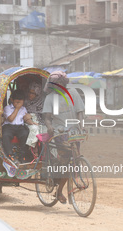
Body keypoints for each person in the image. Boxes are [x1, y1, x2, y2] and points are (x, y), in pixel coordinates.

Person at [42, 71, 85, 204]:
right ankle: (60, 190)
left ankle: (69, 189)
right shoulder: (50, 98)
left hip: (74, 131)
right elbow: (47, 118)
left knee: (75, 161)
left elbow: (80, 112)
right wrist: (49, 126)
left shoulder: (74, 93)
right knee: (67, 163)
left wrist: (81, 125)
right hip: (60, 132)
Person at [2, 89, 33, 164]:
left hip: (19, 127)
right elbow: (11, 119)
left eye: (21, 102)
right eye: (17, 102)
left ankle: (22, 154)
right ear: (12, 100)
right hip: (9, 126)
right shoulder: (7, 108)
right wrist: (17, 108)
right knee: (6, 135)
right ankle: (10, 155)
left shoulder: (24, 108)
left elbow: (25, 118)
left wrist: (32, 122)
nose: (19, 104)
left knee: (25, 133)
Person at [24, 81, 45, 148]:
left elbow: (43, 115)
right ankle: (31, 148)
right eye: (29, 92)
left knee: (45, 130)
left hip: (40, 122)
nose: (30, 95)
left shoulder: (42, 102)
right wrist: (30, 120)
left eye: (33, 93)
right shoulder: (26, 102)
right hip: (27, 123)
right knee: (34, 128)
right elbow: (23, 115)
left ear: (37, 94)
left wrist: (32, 115)